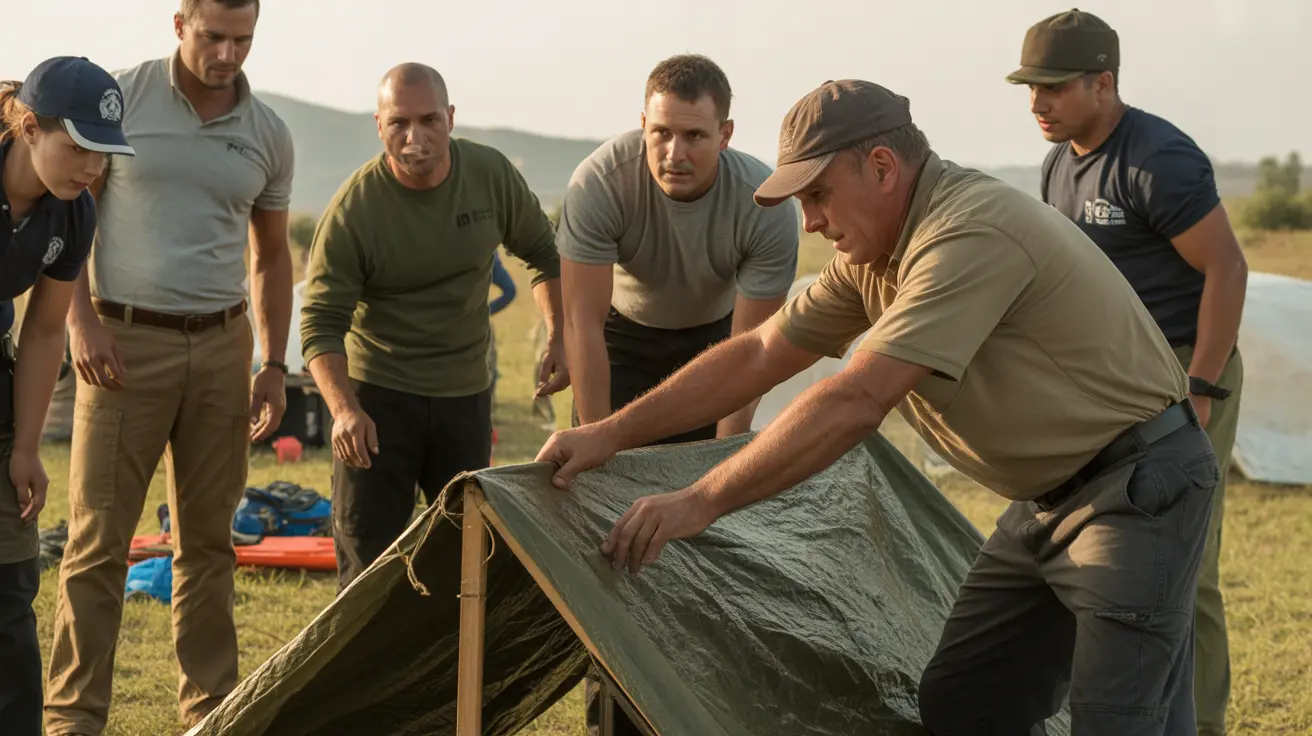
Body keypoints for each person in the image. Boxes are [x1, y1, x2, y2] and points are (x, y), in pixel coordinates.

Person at [538, 79, 1221, 735]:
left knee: (1121, 721)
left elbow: (859, 398)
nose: (809, 221)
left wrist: (700, 500)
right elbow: (758, 354)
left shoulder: (966, 231)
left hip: (1135, 490)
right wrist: (610, 432)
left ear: (884, 167)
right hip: (1046, 500)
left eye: (819, 195)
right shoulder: (874, 255)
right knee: (967, 704)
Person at [44, 1, 296, 732]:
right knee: (97, 545)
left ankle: (211, 715)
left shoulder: (268, 133)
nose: (227, 53)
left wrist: (273, 365)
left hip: (224, 346)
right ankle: (73, 719)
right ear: (179, 21)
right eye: (213, 36)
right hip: (125, 343)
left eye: (242, 39)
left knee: (210, 544)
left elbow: (272, 256)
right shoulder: (119, 101)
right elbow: (72, 218)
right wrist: (81, 322)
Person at [1005, 11, 1247, 734]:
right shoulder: (1057, 165)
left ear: (1103, 83)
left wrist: (1200, 387)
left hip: (1181, 367)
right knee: (1098, 551)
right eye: (1029, 88)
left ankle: (1201, 723)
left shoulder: (1156, 158)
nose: (1037, 104)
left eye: (1052, 87)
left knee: (1186, 561)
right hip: (1108, 377)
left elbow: (1227, 268)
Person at [299, 62, 568, 591]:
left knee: (463, 556)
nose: (414, 138)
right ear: (379, 124)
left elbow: (543, 252)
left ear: (450, 118)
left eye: (428, 121)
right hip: (377, 398)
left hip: (464, 393)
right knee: (368, 562)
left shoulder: (489, 175)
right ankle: (370, 674)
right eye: (399, 123)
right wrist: (344, 411)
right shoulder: (355, 209)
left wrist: (559, 334)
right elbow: (320, 323)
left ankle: (455, 675)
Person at [557, 54, 798, 445]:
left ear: (725, 135)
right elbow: (581, 325)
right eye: (661, 133)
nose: (675, 154)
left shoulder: (764, 205)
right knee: (600, 485)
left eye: (695, 136)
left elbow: (752, 349)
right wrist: (594, 444)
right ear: (642, 127)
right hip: (620, 341)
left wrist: (722, 456)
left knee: (701, 484)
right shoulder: (599, 183)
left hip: (716, 347)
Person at [0, 56, 134, 736]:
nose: (91, 166)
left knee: (11, 592)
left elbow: (47, 329)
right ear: (29, 127)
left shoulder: (73, 213)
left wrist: (25, 444)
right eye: (78, 145)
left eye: (104, 152)